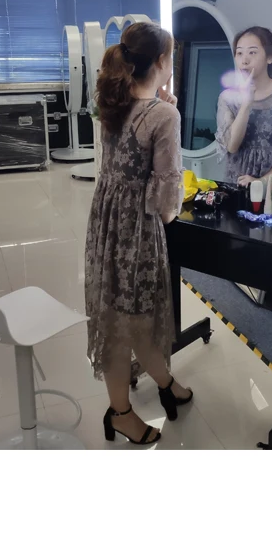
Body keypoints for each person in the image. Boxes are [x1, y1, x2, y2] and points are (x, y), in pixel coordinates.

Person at [85, 22, 193, 446]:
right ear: (162, 62)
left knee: (118, 316)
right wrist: (169, 114)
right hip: (137, 228)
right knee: (137, 321)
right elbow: (167, 197)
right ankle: (122, 414)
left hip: (106, 222)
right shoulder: (164, 115)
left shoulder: (113, 101)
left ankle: (164, 385)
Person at [216, 26, 272, 186]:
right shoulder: (227, 98)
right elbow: (231, 146)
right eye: (239, 53)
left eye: (252, 52)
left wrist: (261, 182)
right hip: (236, 185)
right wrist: (246, 104)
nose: (244, 60)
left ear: (269, 57)